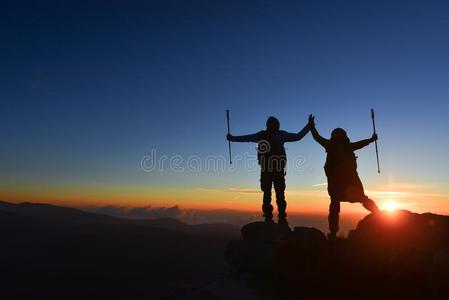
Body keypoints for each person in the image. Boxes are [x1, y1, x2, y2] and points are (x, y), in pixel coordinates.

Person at [227, 115, 311, 226]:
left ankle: (269, 218)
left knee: (268, 194)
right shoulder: (280, 135)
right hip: (276, 170)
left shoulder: (262, 135)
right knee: (279, 194)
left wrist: (232, 138)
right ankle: (280, 218)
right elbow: (298, 136)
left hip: (267, 169)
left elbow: (246, 138)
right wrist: (309, 126)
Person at [308, 115, 379, 239]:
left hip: (336, 185)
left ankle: (333, 233)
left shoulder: (330, 145)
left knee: (335, 205)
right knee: (362, 199)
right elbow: (360, 144)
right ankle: (379, 215)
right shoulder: (347, 146)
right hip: (351, 183)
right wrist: (371, 140)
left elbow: (316, 137)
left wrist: (311, 126)